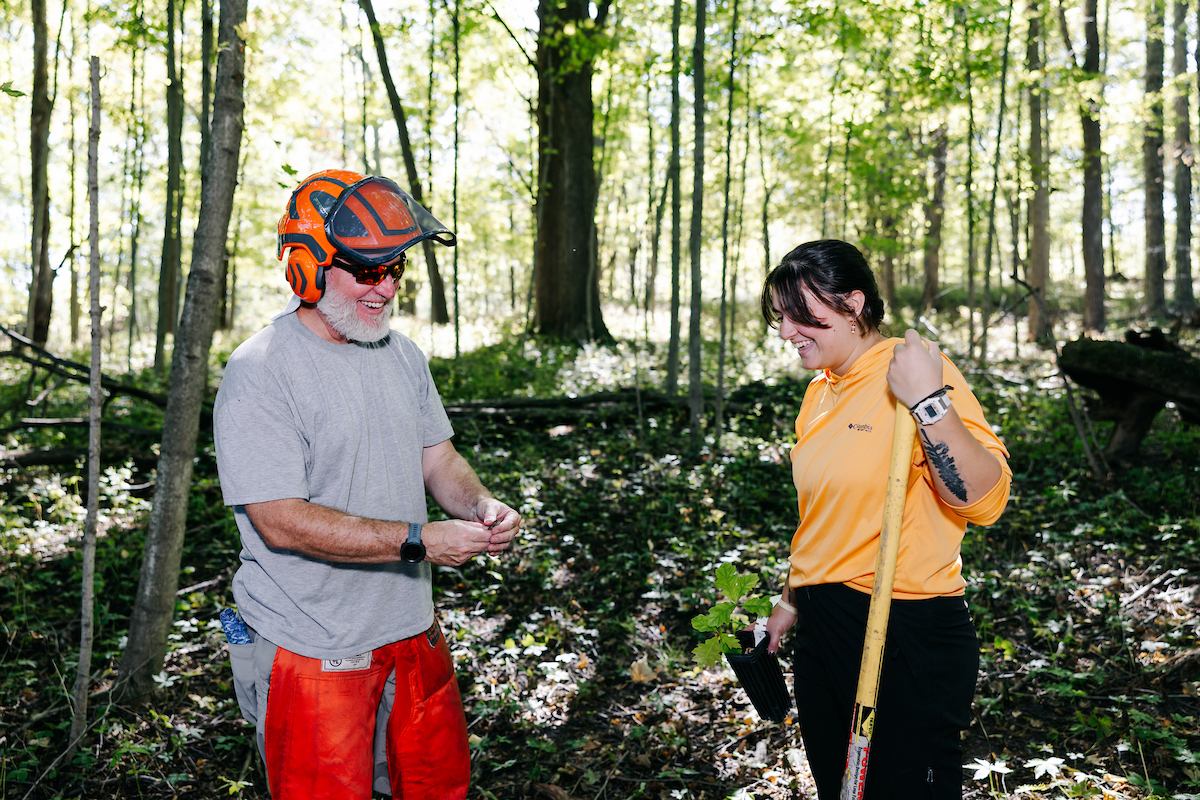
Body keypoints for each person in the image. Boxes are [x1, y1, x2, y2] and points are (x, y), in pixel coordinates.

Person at [213, 168, 520, 800]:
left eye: (396, 269)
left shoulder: (402, 356)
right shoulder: (262, 370)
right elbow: (280, 519)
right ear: (309, 264)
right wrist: (419, 540)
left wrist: (481, 504)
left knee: (437, 789)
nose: (386, 287)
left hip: (410, 630)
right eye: (367, 269)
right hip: (312, 645)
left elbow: (439, 459)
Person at [758, 240, 1011, 800]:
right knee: (842, 788)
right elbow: (825, 517)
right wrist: (790, 600)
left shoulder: (914, 371)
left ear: (853, 305)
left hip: (903, 625)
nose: (786, 332)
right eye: (781, 318)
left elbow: (985, 500)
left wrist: (927, 401)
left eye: (804, 316)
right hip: (827, 623)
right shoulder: (819, 392)